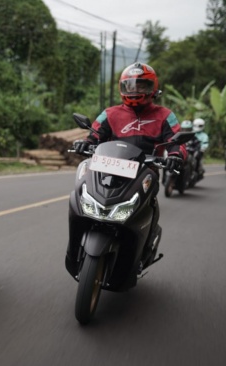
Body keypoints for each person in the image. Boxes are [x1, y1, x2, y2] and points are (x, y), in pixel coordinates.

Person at [73, 62, 186, 264]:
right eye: (130, 86)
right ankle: (77, 245)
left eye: (141, 85)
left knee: (146, 209)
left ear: (153, 88)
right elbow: (94, 135)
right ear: (122, 88)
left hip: (145, 173)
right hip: (108, 170)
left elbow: (177, 141)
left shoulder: (165, 115)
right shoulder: (109, 113)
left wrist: (176, 156)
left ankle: (145, 246)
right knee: (81, 196)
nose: (135, 90)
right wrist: (85, 143)